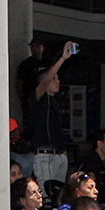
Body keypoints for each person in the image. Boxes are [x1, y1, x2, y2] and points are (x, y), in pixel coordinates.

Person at [30, 41, 77, 185]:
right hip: (45, 156)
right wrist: (62, 58)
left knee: (58, 194)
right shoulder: (37, 97)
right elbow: (45, 81)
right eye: (54, 78)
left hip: (59, 154)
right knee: (45, 196)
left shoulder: (54, 101)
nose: (58, 81)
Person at [15, 37, 47, 127]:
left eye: (37, 46)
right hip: (30, 99)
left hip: (44, 100)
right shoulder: (25, 64)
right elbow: (19, 84)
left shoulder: (47, 63)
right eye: (32, 47)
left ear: (43, 48)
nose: (34, 49)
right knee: (31, 125)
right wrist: (23, 99)